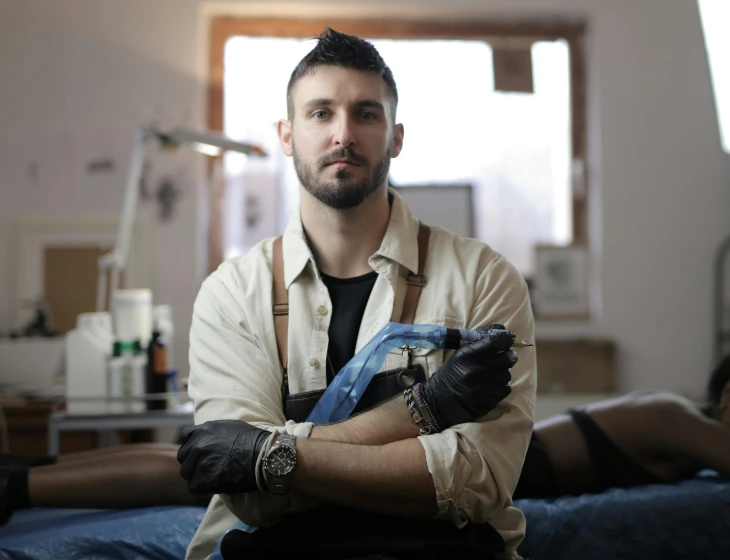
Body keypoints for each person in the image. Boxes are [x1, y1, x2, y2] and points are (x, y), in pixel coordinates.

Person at [178, 27, 536, 560]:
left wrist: (274, 454)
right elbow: (246, 496)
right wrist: (427, 411)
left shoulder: (484, 278)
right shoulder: (232, 294)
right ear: (286, 134)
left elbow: (477, 481)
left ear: (395, 137)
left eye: (366, 114)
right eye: (320, 113)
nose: (343, 134)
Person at [2, 355, 729, 526]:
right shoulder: (681, 420)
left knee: (205, 463)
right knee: (208, 466)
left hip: (452, 452)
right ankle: (21, 481)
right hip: (453, 462)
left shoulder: (675, 419)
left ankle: (24, 478)